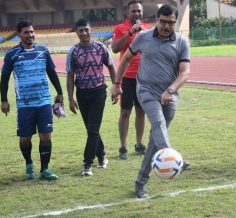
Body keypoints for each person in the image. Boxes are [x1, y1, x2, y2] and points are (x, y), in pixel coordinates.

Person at [110, 4, 190, 198]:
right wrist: (116, 84)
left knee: (155, 139)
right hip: (145, 90)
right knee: (158, 122)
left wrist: (171, 90)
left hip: (169, 95)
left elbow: (185, 72)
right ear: (157, 20)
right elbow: (125, 59)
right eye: (163, 22)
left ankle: (140, 183)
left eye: (171, 23)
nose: (166, 26)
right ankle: (171, 155)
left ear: (175, 22)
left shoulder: (181, 42)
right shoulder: (143, 37)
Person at [0, 20, 63, 180]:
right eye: (26, 32)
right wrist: (4, 100)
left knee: (46, 136)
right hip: (24, 104)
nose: (30, 35)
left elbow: (52, 73)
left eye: (32, 32)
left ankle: (45, 169)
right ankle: (29, 163)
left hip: (43, 102)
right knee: (25, 139)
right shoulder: (12, 54)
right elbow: (5, 78)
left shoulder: (43, 51)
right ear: (19, 35)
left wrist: (60, 93)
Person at [66, 18, 116, 176]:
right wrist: (70, 98)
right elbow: (70, 76)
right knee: (91, 129)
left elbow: (112, 67)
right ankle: (102, 157)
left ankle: (88, 163)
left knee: (93, 129)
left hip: (98, 92)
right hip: (82, 93)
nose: (84, 33)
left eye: (86, 29)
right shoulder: (73, 52)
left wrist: (116, 86)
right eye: (80, 30)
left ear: (91, 30)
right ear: (76, 32)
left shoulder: (101, 48)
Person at [111, 0, 152, 160]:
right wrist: (129, 33)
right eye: (133, 11)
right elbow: (114, 48)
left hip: (144, 78)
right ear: (127, 13)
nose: (136, 14)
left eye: (139, 11)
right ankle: (123, 147)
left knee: (141, 112)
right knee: (125, 112)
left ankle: (139, 143)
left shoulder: (148, 29)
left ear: (142, 12)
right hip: (127, 78)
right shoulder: (120, 28)